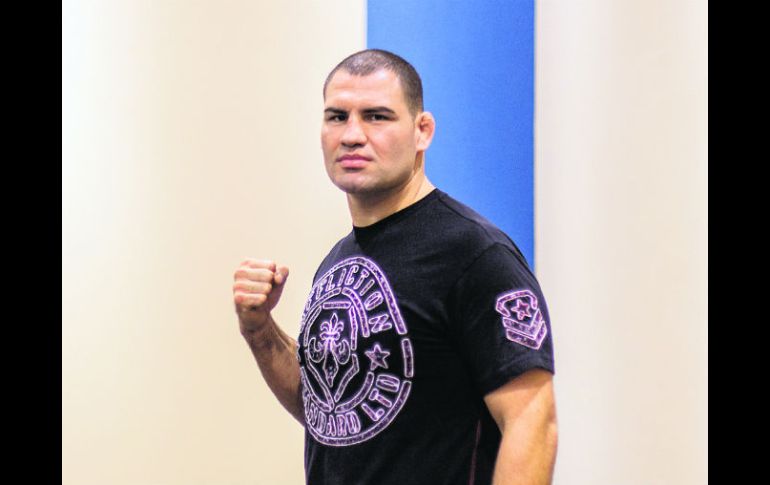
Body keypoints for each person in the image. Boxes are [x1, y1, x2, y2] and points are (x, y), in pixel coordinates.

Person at [233, 49, 557, 485]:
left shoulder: (475, 254)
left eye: (376, 116)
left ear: (422, 131)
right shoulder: (339, 259)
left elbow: (533, 420)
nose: (352, 135)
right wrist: (259, 329)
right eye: (337, 117)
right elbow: (327, 413)